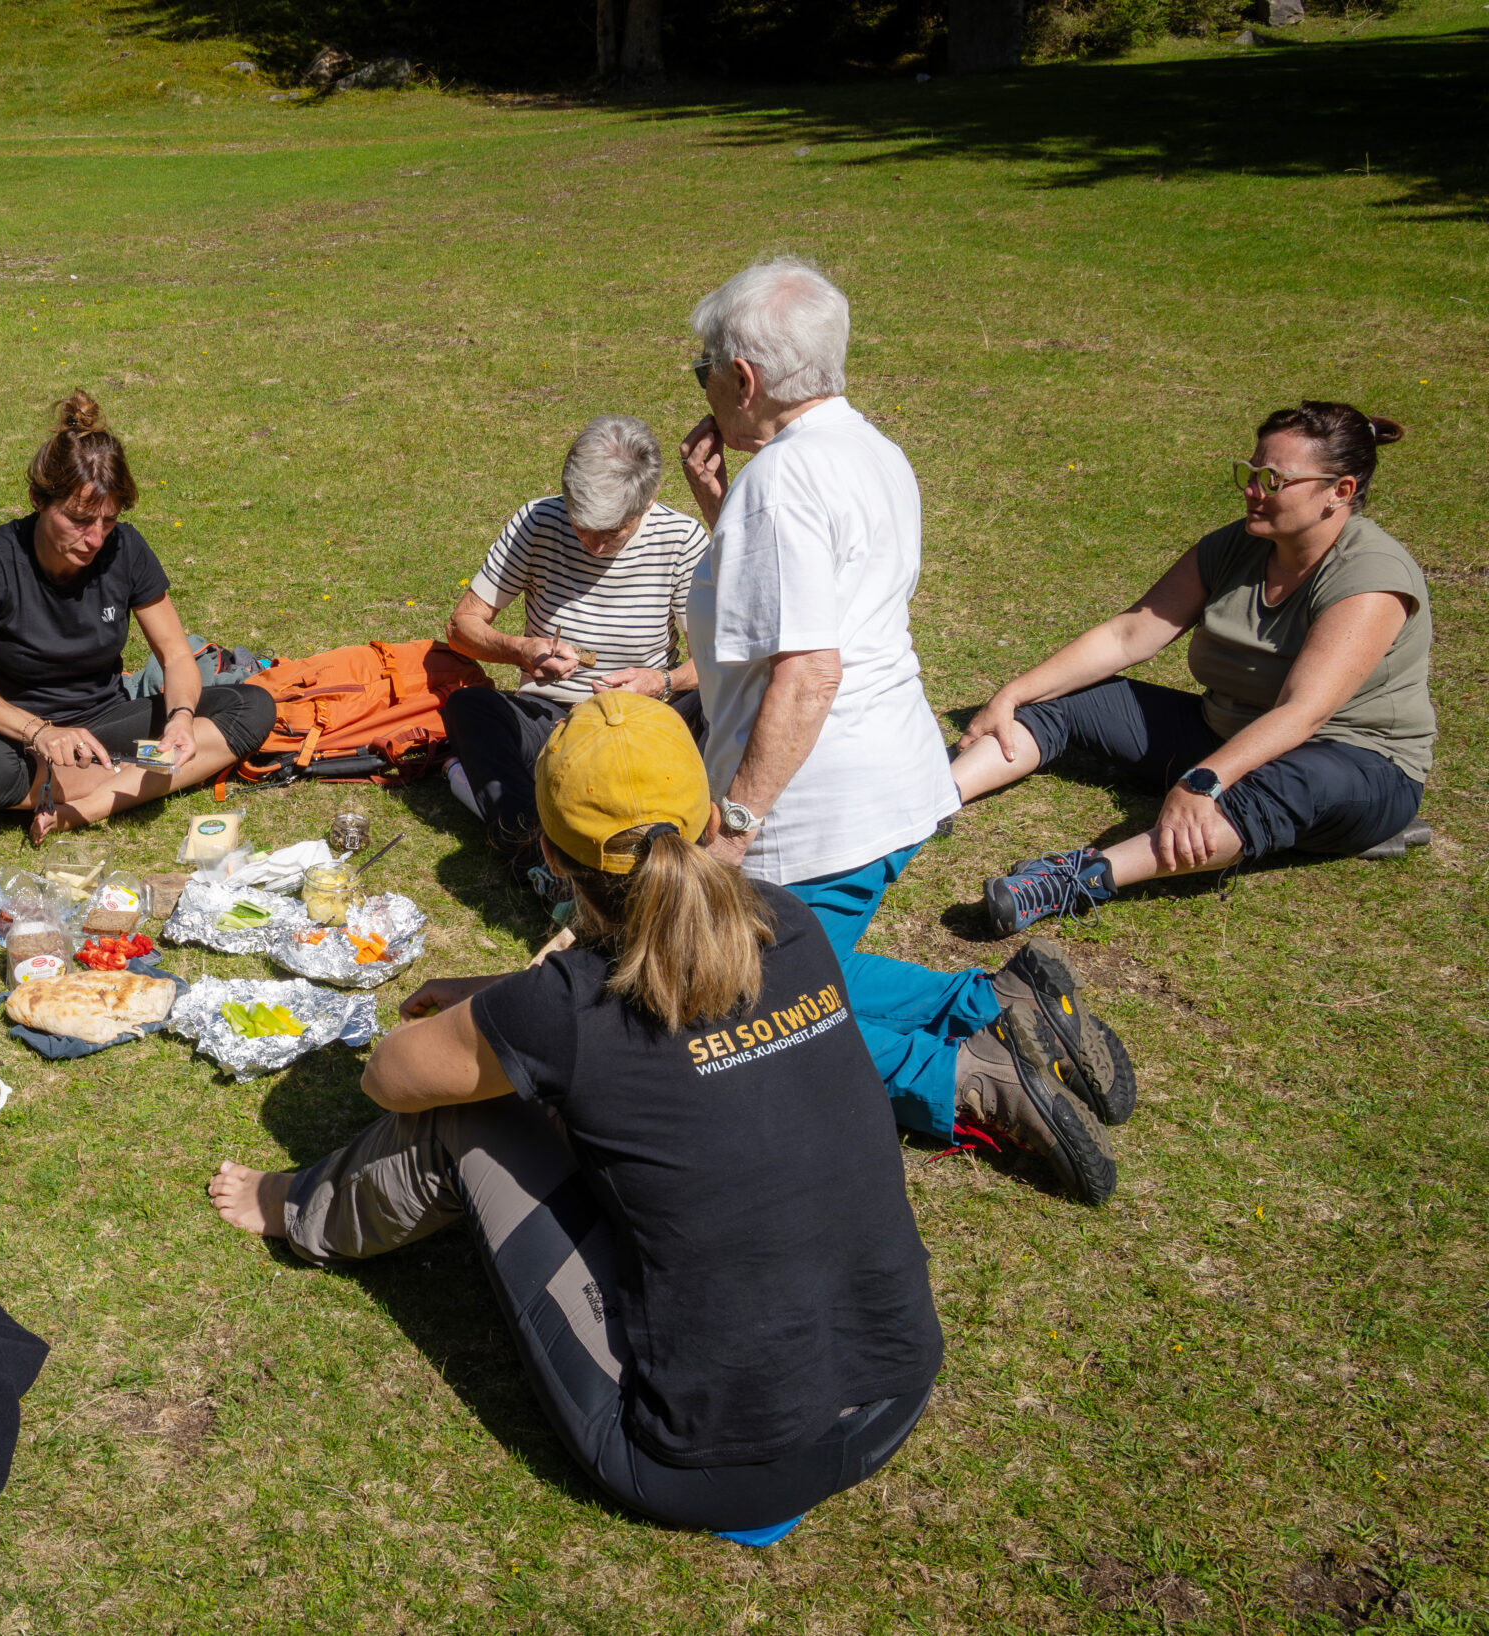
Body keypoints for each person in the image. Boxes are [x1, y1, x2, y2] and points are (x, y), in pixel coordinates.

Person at [207, 694, 949, 1543]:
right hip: (894, 1397)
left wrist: (505, 1014)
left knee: (463, 1120)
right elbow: (660, 1008)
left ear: (554, 857)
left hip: (708, 1466)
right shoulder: (792, 923)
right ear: (711, 820)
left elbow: (390, 1079)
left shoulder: (561, 1010)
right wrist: (504, 1001)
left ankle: (295, 1208)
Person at [677, 256, 1130, 1204]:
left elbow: (809, 671)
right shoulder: (868, 449)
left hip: (816, 809)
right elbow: (813, 595)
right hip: (896, 777)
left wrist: (735, 827)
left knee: (740, 1010)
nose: (703, 385)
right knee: (809, 961)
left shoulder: (781, 482)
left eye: (703, 368)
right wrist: (723, 511)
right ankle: (998, 1003)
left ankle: (971, 1081)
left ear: (744, 378)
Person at [964, 403, 1432, 934]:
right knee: (1064, 699)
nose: (1252, 490)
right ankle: (931, 800)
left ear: (1339, 492)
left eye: (1273, 480)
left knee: (1277, 790)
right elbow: (1128, 634)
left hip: (1351, 762)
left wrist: (1202, 782)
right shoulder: (1237, 545)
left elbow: (1303, 712)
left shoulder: (1370, 576)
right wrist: (1013, 694)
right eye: (1249, 473)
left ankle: (1074, 880)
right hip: (1228, 734)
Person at [0, 391, 278, 841]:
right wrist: (39, 732)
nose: (95, 539)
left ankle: (84, 807)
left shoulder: (125, 549)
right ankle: (141, 775)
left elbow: (176, 655)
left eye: (108, 520)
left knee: (252, 706)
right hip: (22, 739)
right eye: (79, 520)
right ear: (38, 499)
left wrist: (180, 717)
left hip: (107, 721)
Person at [441, 414, 709, 868]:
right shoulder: (537, 521)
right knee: (469, 709)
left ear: (648, 502)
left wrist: (661, 682)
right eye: (580, 525)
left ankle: (676, 835)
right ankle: (537, 857)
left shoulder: (680, 539)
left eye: (611, 533)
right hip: (554, 722)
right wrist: (521, 650)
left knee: (716, 703)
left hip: (646, 722)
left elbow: (715, 660)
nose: (592, 545)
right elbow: (462, 626)